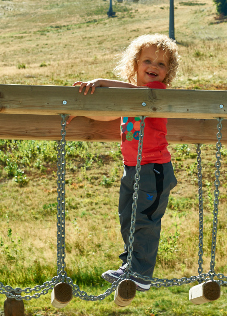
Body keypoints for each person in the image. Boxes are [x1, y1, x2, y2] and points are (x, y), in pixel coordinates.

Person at [72, 34, 180, 291]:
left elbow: (135, 93)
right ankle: (130, 267)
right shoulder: (129, 99)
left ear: (168, 72)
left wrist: (102, 82)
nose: (154, 66)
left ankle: (141, 275)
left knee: (144, 220)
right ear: (134, 64)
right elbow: (110, 113)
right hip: (132, 168)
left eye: (161, 64)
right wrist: (81, 112)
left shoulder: (156, 93)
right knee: (128, 219)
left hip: (154, 169)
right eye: (147, 60)